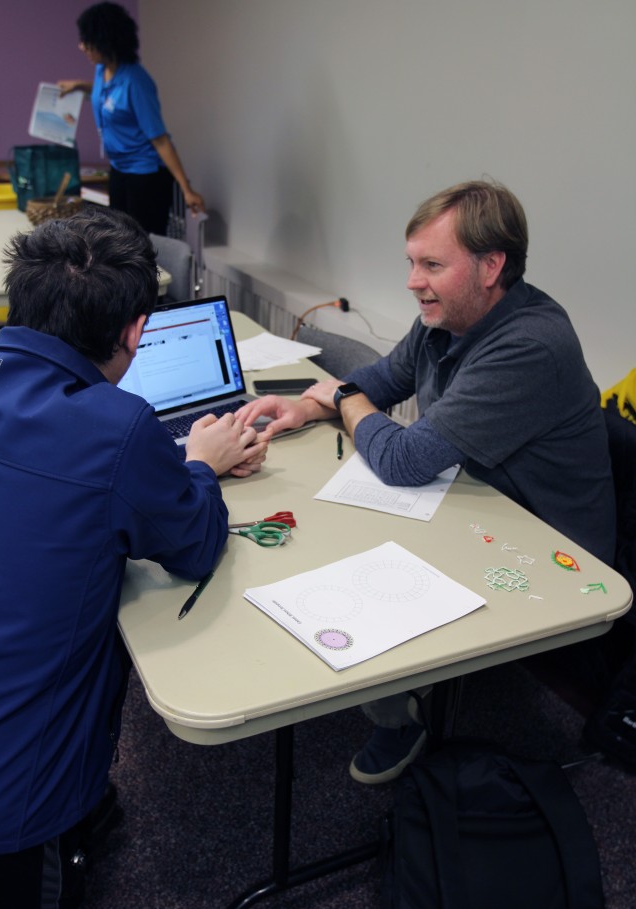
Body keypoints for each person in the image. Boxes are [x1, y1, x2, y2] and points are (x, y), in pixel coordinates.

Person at [236, 179, 617, 785]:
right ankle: (393, 692)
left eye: (432, 265)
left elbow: (406, 461)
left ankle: (400, 716)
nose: (413, 281)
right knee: (324, 529)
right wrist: (309, 407)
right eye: (412, 262)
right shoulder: (452, 312)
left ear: (491, 267)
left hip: (548, 549)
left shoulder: (531, 344)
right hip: (479, 501)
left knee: (352, 554)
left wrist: (339, 396)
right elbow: (384, 378)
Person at [0, 206, 267, 909]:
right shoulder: (118, 426)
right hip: (17, 791)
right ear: (135, 333)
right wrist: (200, 465)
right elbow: (195, 547)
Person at [58, 2, 205, 235]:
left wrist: (187, 189)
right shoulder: (102, 70)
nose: (81, 46)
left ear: (106, 42)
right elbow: (107, 96)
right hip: (119, 168)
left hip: (145, 175)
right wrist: (79, 86)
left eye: (87, 41)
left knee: (142, 244)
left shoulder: (136, 82)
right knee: (117, 238)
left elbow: (160, 139)